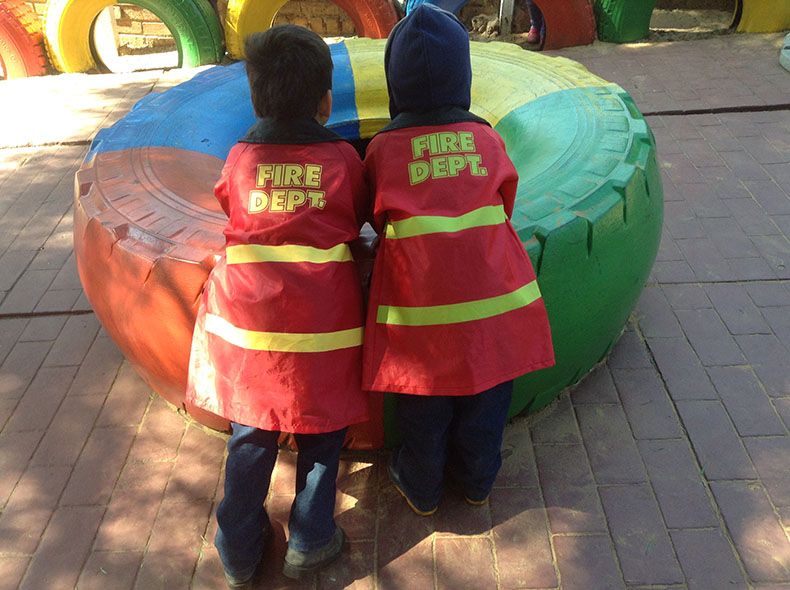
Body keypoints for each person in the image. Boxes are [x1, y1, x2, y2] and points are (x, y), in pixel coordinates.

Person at [185, 25, 370, 588]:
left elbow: (229, 208)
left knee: (252, 434)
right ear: (326, 101)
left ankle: (238, 548)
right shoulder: (344, 160)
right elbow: (359, 215)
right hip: (325, 331)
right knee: (322, 435)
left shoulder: (240, 158)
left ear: (256, 95)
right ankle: (311, 540)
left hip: (249, 332)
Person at [362, 4, 555, 516]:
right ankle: (476, 482)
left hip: (420, 316)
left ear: (393, 83)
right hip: (496, 304)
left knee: (423, 403)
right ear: (464, 78)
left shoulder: (382, 148)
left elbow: (377, 219)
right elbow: (506, 202)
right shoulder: (487, 140)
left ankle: (422, 487)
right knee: (488, 398)